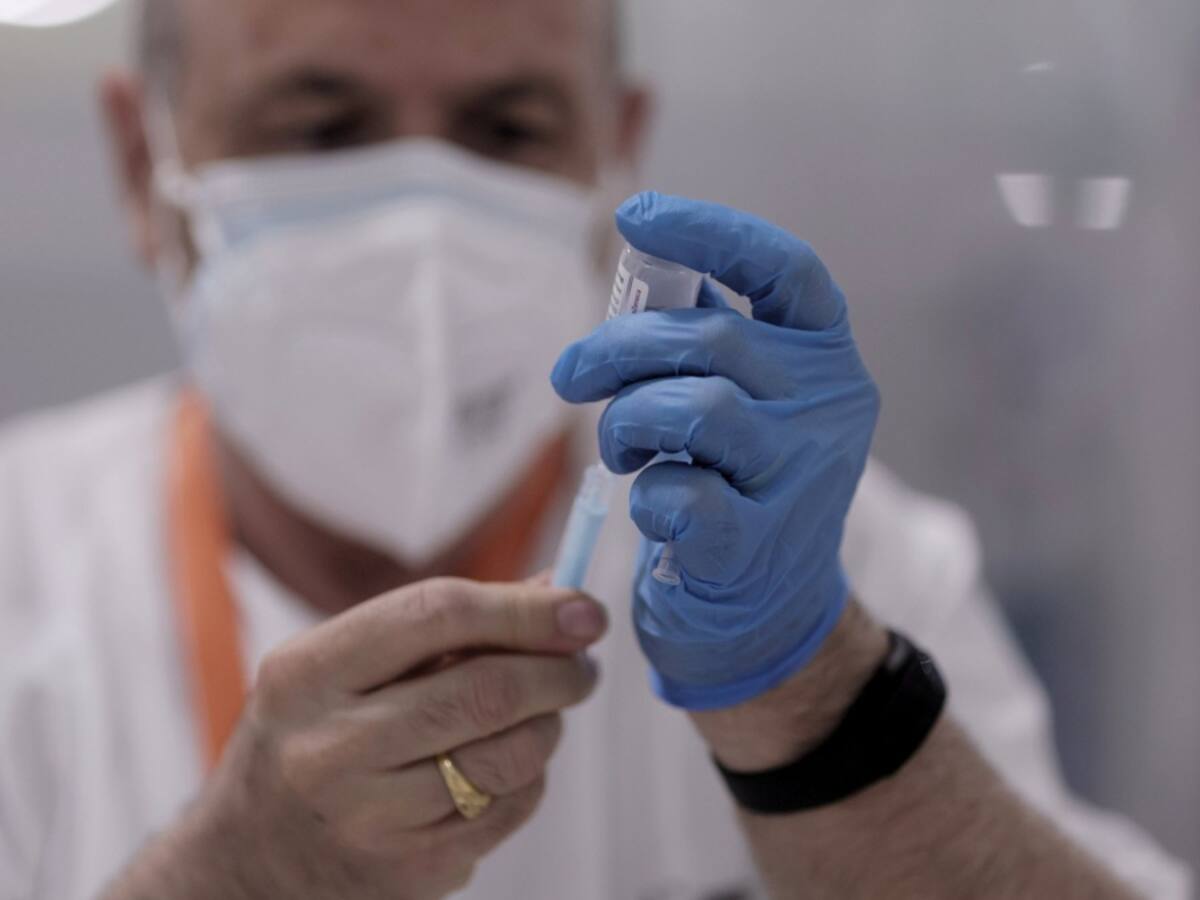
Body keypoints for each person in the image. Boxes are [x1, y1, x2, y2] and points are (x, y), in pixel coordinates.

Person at [0, 0, 1190, 898]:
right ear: (141, 164)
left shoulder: (823, 559)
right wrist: (235, 878)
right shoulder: (24, 569)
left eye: (507, 126)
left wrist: (819, 700)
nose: (423, 218)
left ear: (617, 151)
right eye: (322, 128)